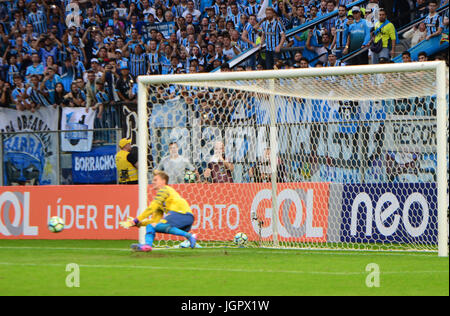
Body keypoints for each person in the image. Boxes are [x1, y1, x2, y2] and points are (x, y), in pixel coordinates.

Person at [120, 170, 197, 252]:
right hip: (185, 219)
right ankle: (147, 246)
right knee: (151, 226)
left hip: (181, 214)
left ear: (163, 181)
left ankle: (190, 236)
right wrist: (140, 223)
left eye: (155, 180)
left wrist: (135, 221)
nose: (153, 182)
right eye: (153, 180)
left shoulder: (165, 190)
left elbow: (151, 208)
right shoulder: (161, 202)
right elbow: (154, 221)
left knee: (158, 224)